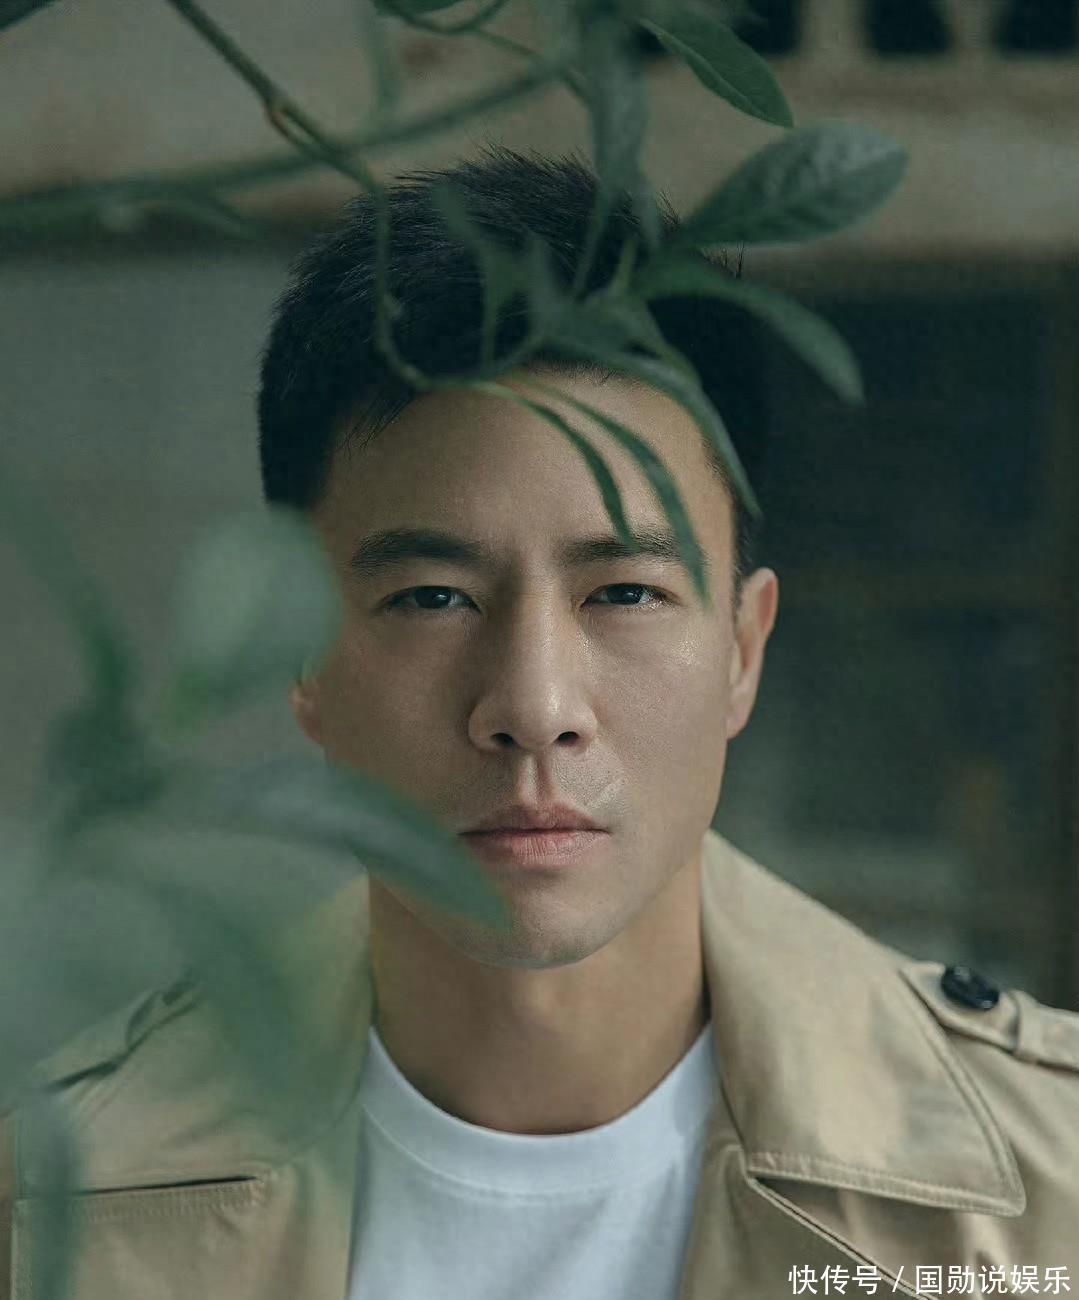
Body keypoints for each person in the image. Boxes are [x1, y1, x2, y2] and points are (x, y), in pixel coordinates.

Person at [4, 142, 1079, 1300]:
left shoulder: (1046, 1196)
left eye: (624, 593)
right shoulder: (46, 1208)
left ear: (741, 647)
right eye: (432, 598)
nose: (532, 707)